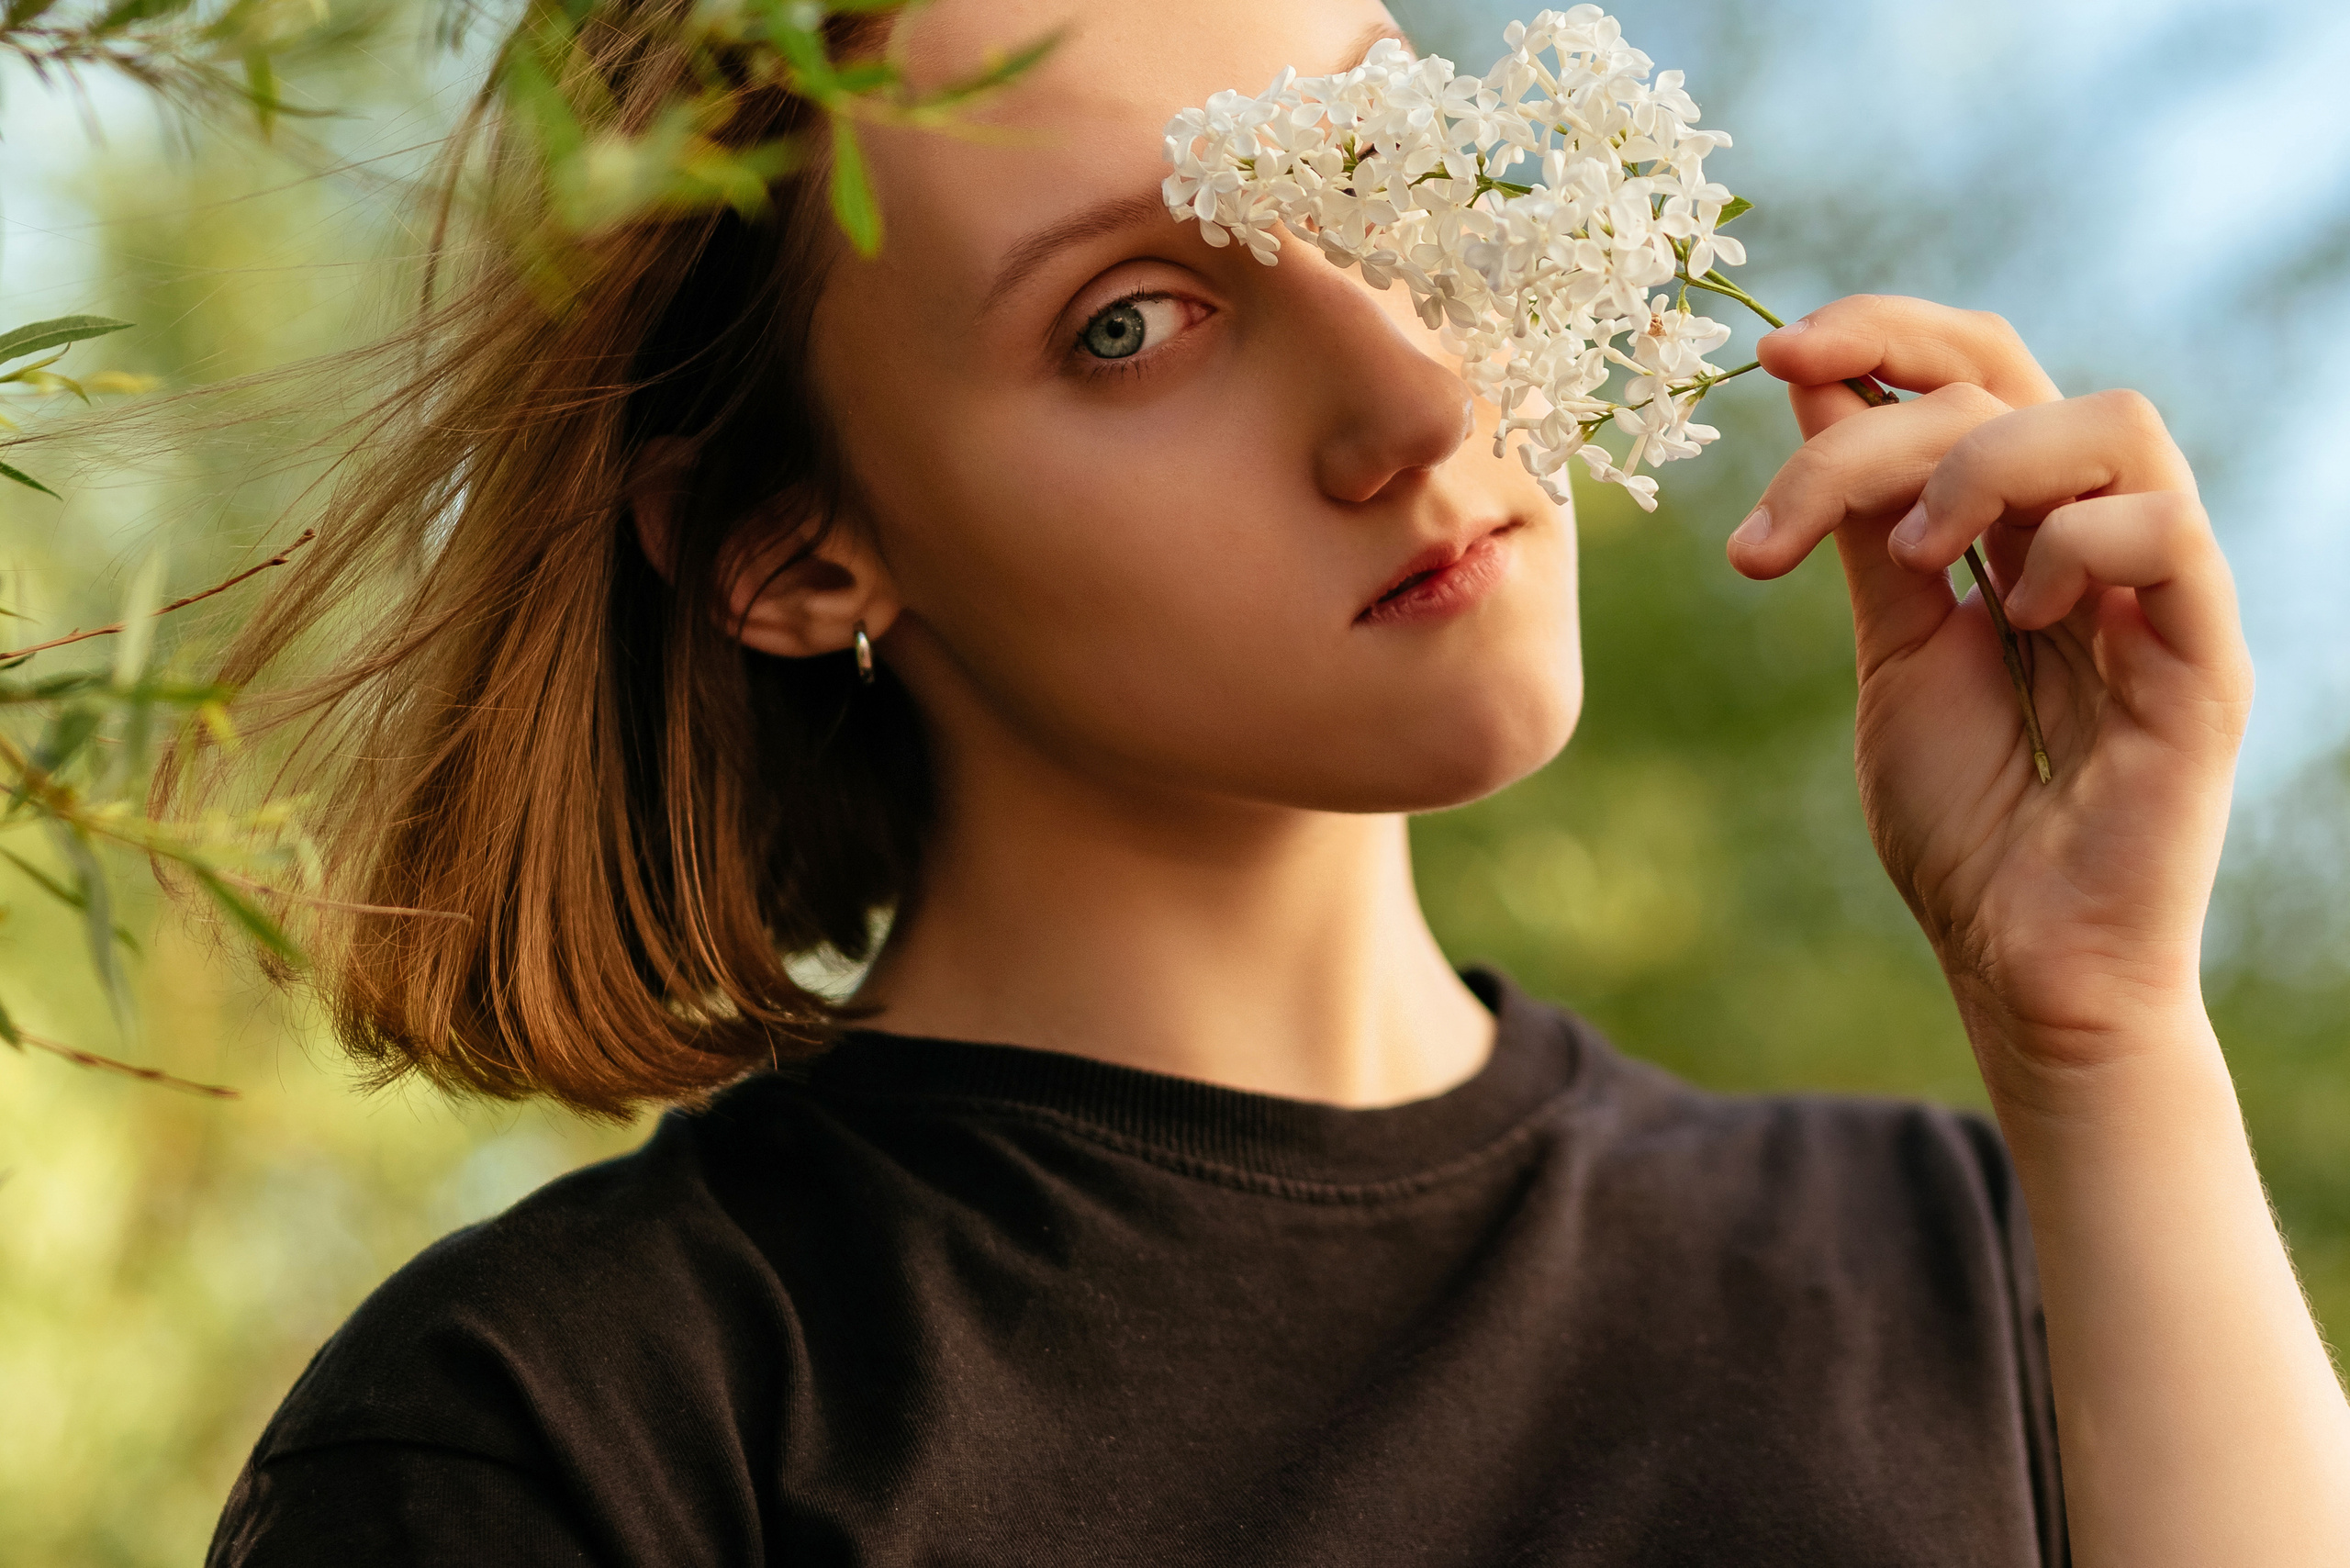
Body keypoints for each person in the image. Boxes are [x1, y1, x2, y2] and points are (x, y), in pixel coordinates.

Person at [198, 1, 2350, 1562]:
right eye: (1125, 325)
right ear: (792, 551)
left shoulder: (1962, 1255)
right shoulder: (566, 1432)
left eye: (1389, 171)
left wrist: (2099, 1024)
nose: (1411, 386)